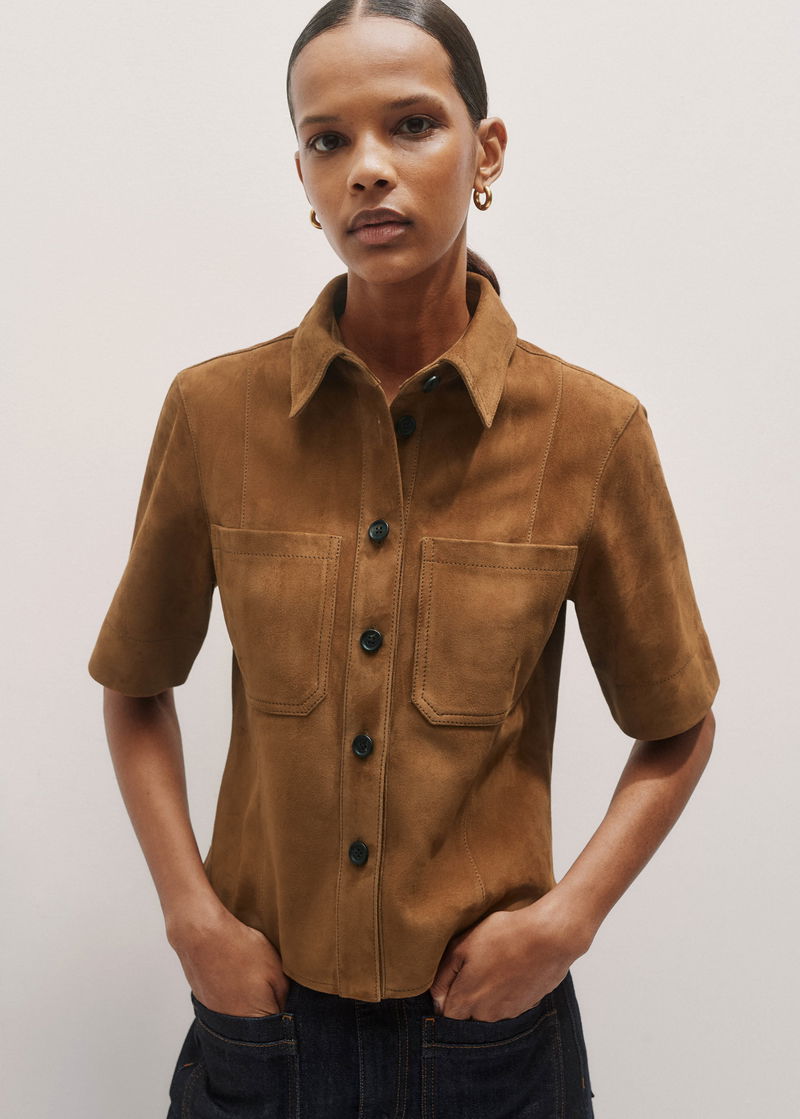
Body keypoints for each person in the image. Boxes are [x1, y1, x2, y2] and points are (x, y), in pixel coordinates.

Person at [88, 1, 720, 1116]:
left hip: (489, 1041)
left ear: (486, 151)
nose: (367, 168)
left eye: (412, 124)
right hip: (263, 1028)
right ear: (303, 175)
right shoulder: (214, 414)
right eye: (328, 139)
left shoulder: (591, 434)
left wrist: (564, 923)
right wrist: (191, 919)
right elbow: (136, 684)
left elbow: (676, 723)